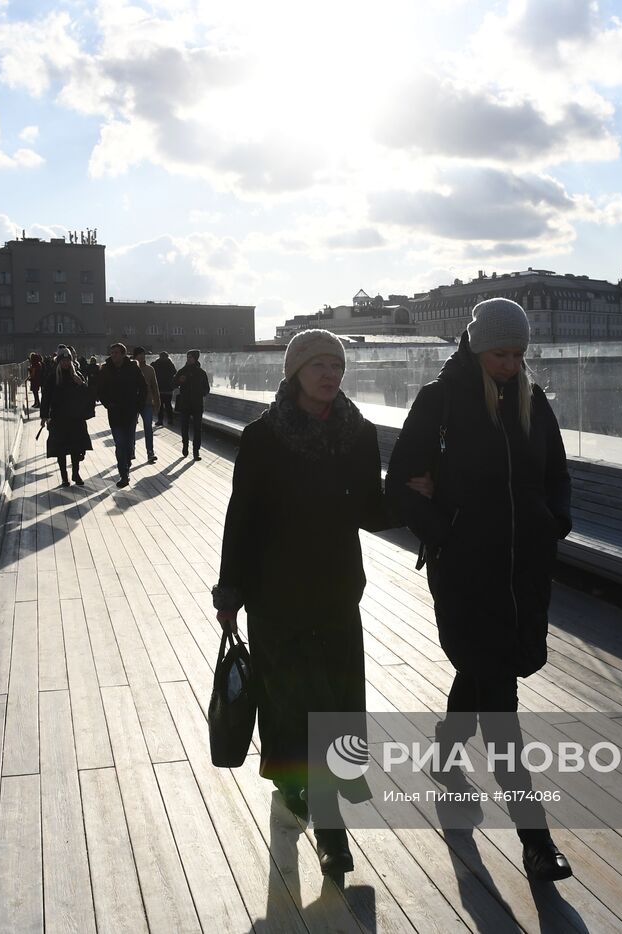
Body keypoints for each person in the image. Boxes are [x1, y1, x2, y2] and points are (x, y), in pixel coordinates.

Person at [385, 297, 575, 884]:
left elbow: (556, 475)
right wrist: (447, 534)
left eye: (519, 354)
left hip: (522, 570)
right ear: (475, 346)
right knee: (500, 702)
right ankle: (536, 839)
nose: (511, 364)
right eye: (500, 353)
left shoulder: (532, 401)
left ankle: (445, 749)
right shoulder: (440, 402)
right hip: (466, 572)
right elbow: (400, 486)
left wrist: (551, 525)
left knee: (488, 672)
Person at [213, 329, 392, 876]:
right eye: (317, 364)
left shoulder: (357, 434)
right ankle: (329, 825)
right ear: (294, 372)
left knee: (335, 698)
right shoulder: (264, 436)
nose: (329, 373)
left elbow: (370, 510)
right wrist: (230, 591)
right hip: (276, 593)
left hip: (338, 589)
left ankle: (304, 784)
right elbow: (241, 517)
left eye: (336, 364)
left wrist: (419, 495)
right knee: (296, 701)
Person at [93, 342, 145, 488]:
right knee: (120, 444)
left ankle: (127, 462)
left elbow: (143, 387)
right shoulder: (106, 369)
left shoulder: (132, 368)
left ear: (123, 354)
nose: (114, 355)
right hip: (114, 412)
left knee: (129, 443)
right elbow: (100, 389)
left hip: (130, 411)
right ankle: (124, 474)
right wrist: (107, 403)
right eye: (112, 352)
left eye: (116, 352)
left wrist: (139, 406)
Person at [40, 347, 94, 486]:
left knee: (77, 448)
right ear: (59, 362)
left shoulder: (77, 376)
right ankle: (64, 476)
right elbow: (46, 397)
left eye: (68, 360)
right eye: (63, 360)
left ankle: (76, 473)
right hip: (58, 419)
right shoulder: (53, 377)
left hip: (75, 419)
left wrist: (81, 384)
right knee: (61, 449)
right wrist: (44, 416)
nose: (65, 363)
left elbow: (88, 394)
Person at [175, 349, 211, 460]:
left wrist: (200, 392)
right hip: (185, 403)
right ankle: (185, 446)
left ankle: (196, 452)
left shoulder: (201, 373)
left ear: (195, 358)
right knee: (184, 427)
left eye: (190, 357)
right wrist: (179, 381)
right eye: (188, 357)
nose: (188, 359)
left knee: (197, 428)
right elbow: (172, 383)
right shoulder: (182, 371)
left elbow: (207, 389)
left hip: (197, 404)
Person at [132, 346, 161, 464]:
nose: (143, 356)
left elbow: (155, 386)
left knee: (148, 427)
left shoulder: (150, 369)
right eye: (140, 354)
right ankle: (131, 450)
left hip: (147, 403)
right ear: (135, 356)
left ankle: (150, 452)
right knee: (131, 428)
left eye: (143, 354)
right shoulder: (131, 368)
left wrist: (157, 402)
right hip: (133, 403)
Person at [152, 350, 177, 426]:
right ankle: (170, 420)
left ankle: (160, 420)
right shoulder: (170, 364)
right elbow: (174, 372)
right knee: (168, 405)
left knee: (160, 405)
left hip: (159, 387)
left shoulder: (156, 364)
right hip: (167, 388)